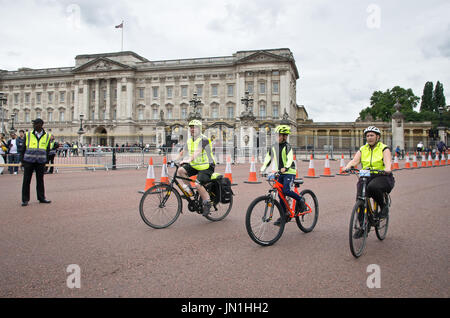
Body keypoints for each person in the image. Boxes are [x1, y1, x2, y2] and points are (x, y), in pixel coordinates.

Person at [344, 126, 395, 238]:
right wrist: (347, 167)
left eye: (372, 135)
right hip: (366, 175)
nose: (369, 138)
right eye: (367, 136)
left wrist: (387, 168)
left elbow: (387, 161)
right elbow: (355, 161)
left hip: (383, 175)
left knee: (373, 187)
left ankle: (383, 206)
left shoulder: (384, 148)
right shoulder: (363, 149)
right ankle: (363, 226)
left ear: (378, 137)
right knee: (360, 196)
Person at [259, 124, 307, 226]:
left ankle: (300, 199)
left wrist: (286, 167)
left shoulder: (288, 147)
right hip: (280, 172)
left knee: (286, 190)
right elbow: (268, 158)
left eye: (279, 135)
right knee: (281, 195)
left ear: (285, 136)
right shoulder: (273, 147)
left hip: (289, 171)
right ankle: (284, 214)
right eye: (277, 135)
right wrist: (263, 169)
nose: (277, 137)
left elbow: (290, 159)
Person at [174, 119, 216, 216]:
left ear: (200, 129)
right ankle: (190, 193)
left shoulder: (204, 139)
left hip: (207, 166)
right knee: (180, 170)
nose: (193, 129)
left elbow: (198, 151)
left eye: (195, 127)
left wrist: (188, 160)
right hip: (196, 165)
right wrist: (174, 160)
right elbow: (183, 152)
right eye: (191, 127)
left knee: (198, 184)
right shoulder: (190, 140)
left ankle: (207, 203)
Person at [20, 118, 52, 206]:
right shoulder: (28, 134)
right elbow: (23, 149)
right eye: (34, 124)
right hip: (29, 161)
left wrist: (46, 161)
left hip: (40, 161)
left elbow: (47, 149)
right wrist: (22, 161)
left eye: (36, 124)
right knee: (26, 180)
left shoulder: (47, 136)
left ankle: (41, 198)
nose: (34, 125)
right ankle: (25, 199)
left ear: (41, 125)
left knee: (40, 181)